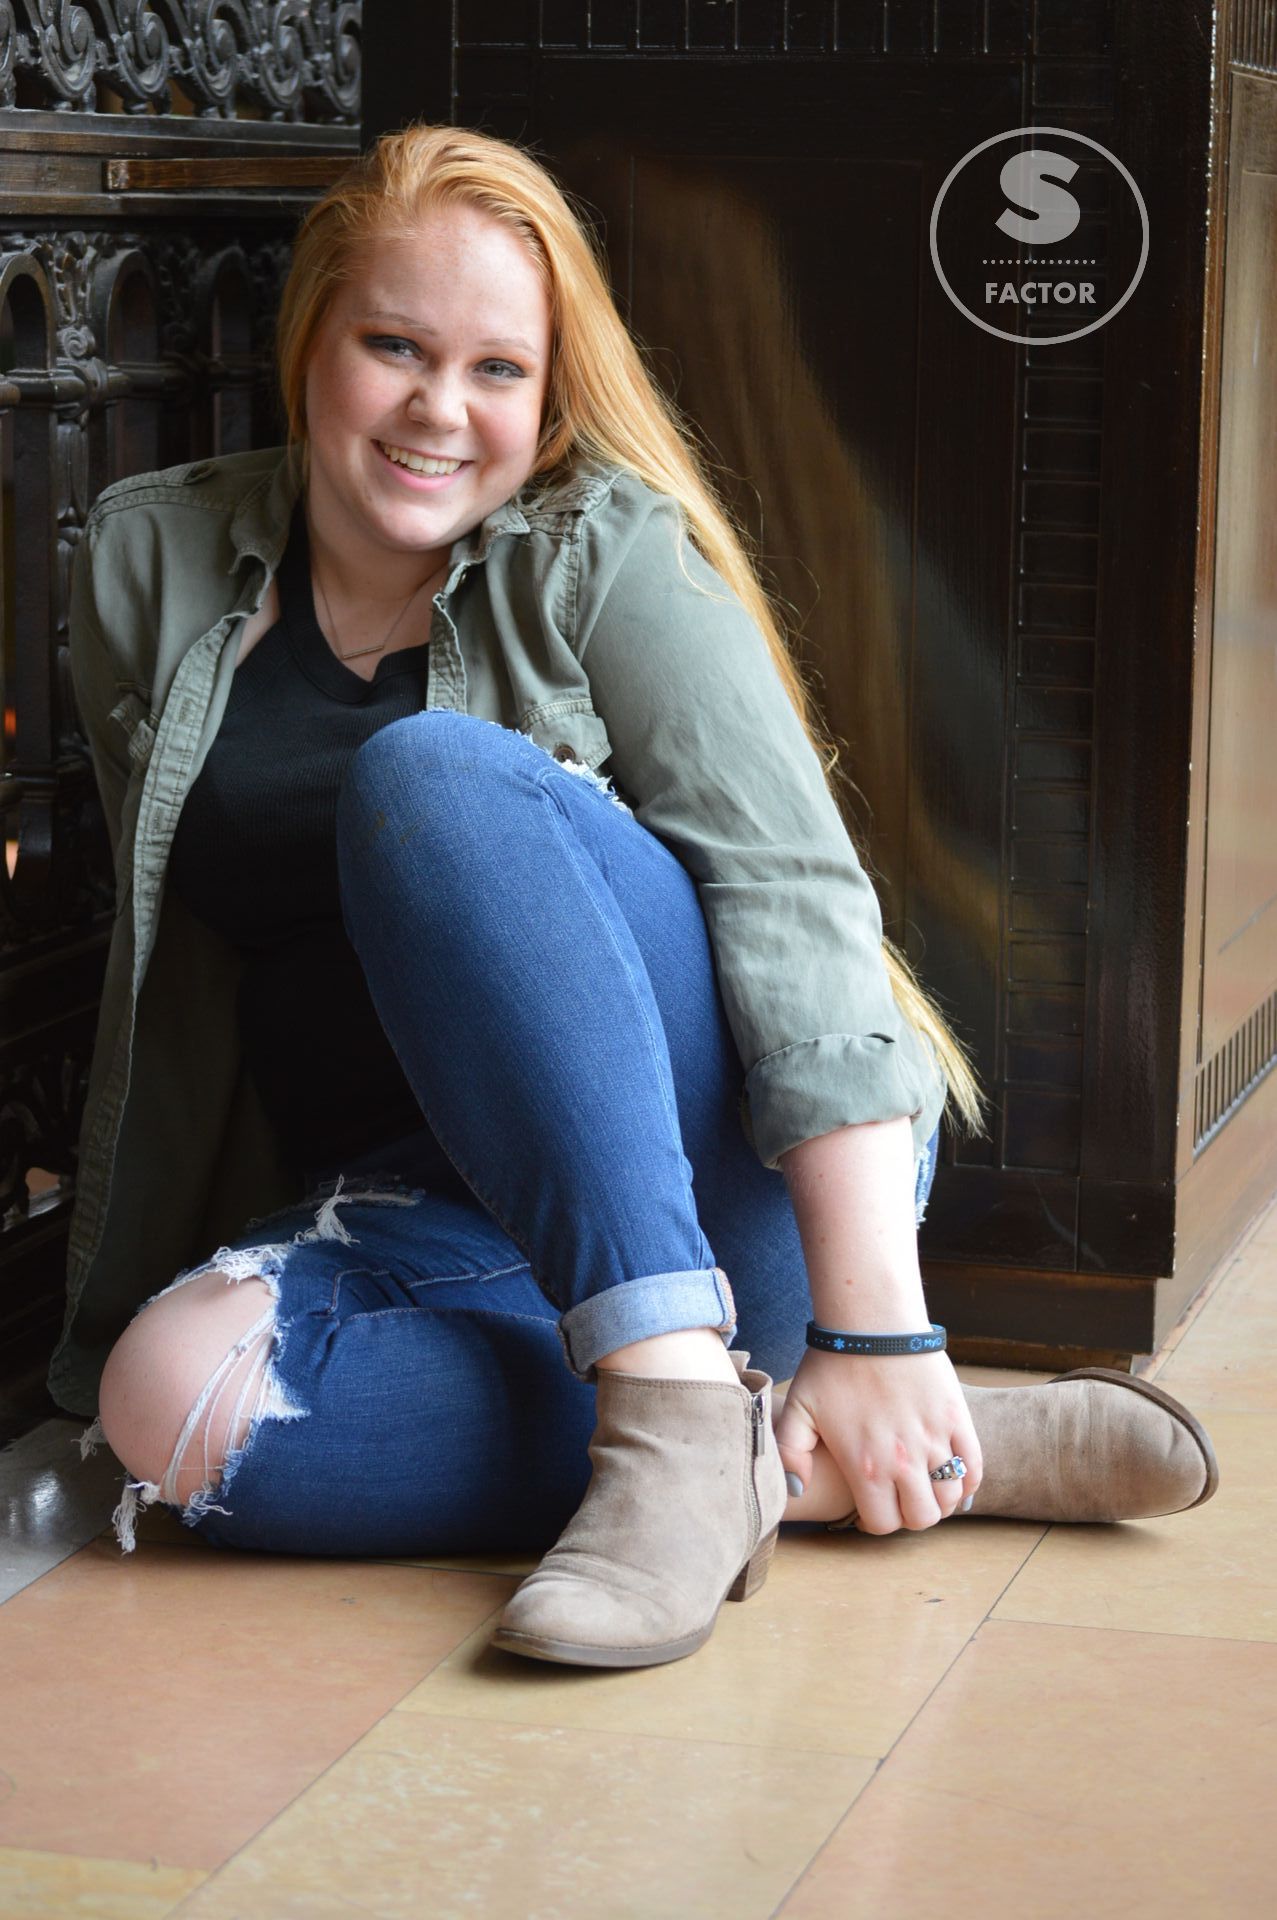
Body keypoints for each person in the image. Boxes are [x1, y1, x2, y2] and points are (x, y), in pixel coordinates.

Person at [61, 122, 1217, 1671]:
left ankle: (712, 1404)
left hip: (716, 1167)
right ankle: (854, 1453)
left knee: (431, 784)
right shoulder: (152, 564)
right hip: (447, 1207)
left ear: (546, 398)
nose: (436, 410)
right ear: (309, 344)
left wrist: (877, 1317)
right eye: (392, 347)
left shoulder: (605, 554)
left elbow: (795, 900)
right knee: (168, 1407)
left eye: (494, 370)